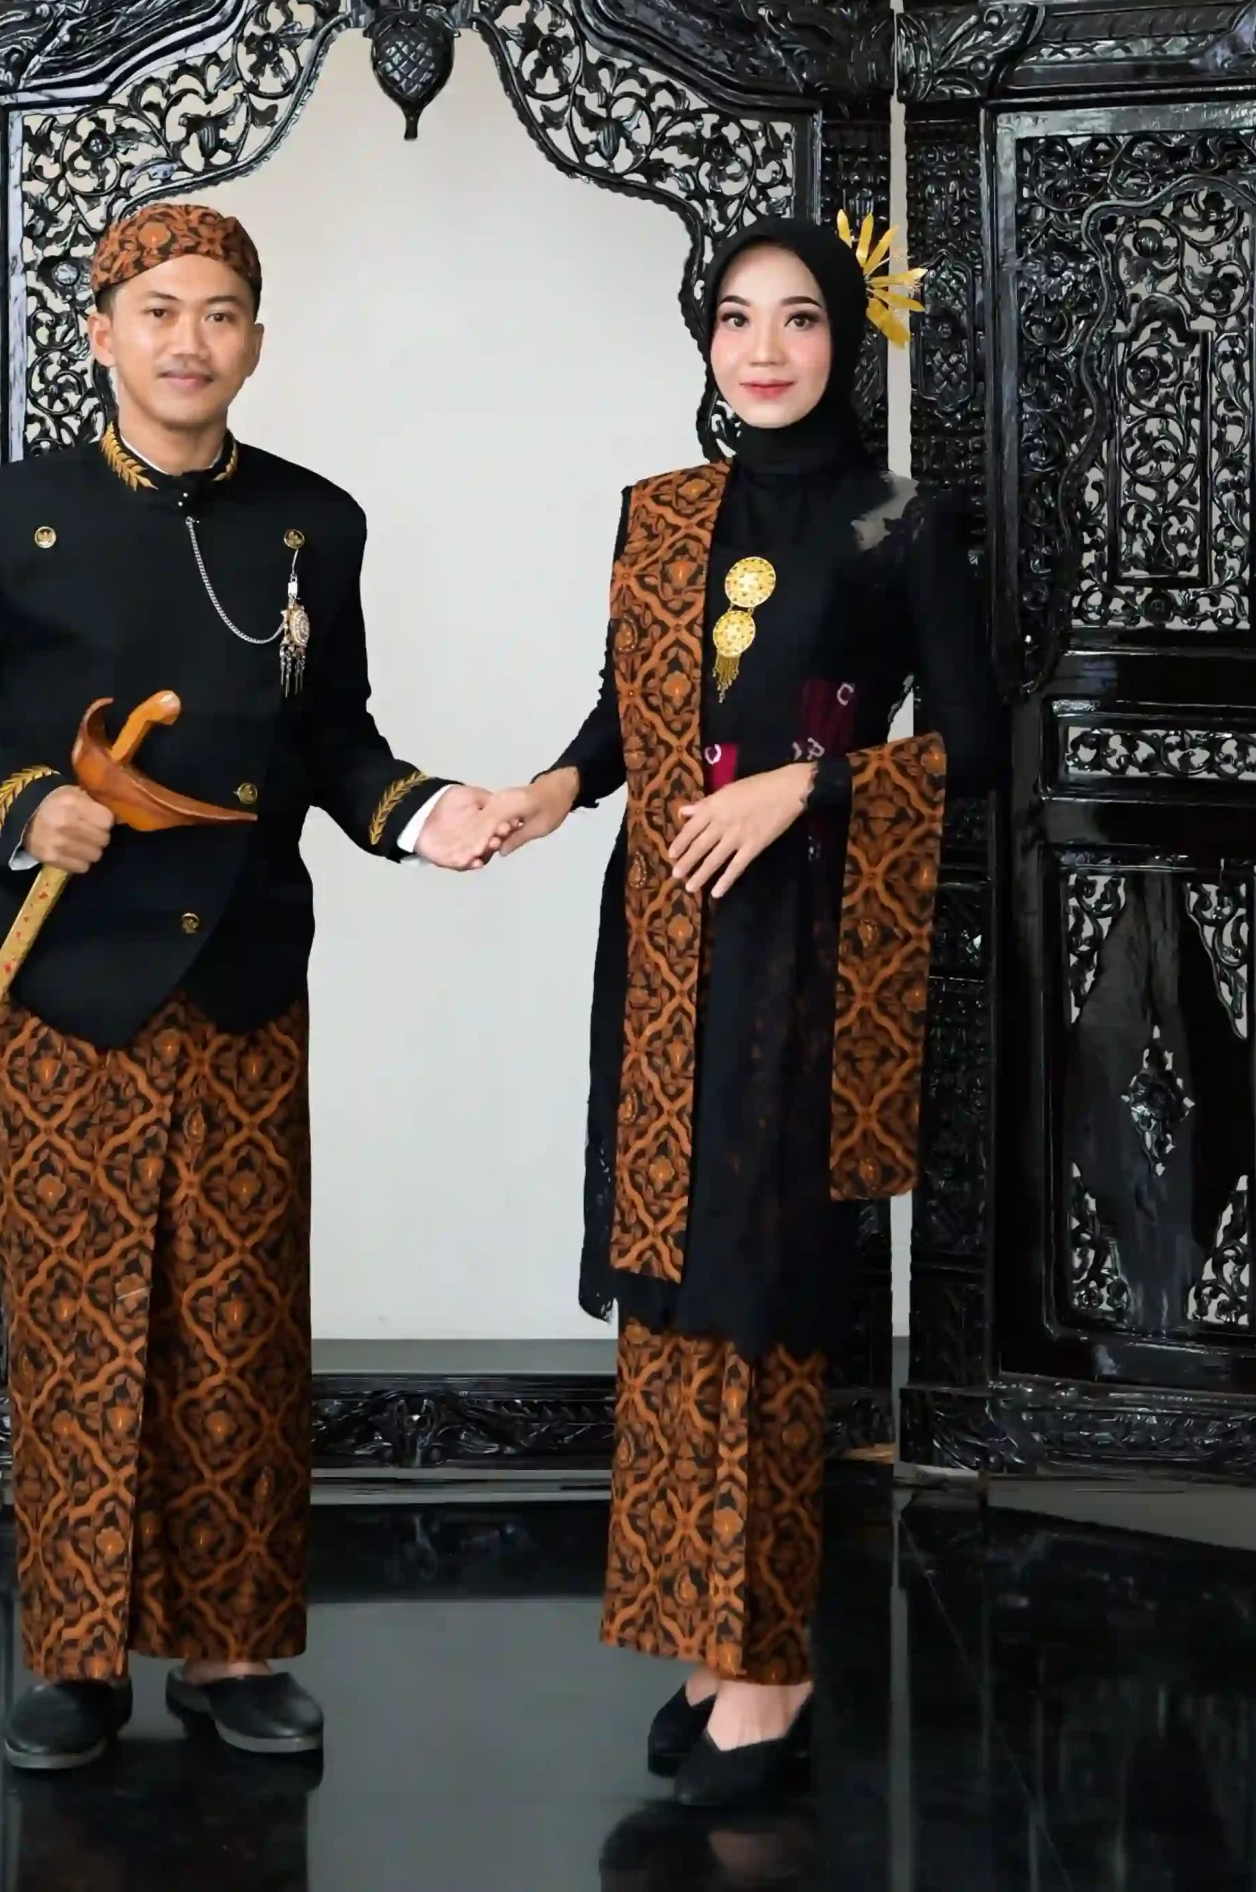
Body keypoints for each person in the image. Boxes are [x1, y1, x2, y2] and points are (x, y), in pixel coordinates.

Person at [0, 202, 497, 1773]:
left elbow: (332, 739)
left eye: (219, 312)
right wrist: (19, 804)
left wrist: (418, 813)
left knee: (240, 1327)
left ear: (256, 342)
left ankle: (232, 1651)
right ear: (100, 333)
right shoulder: (10, 515)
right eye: (156, 310)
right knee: (77, 1328)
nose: (187, 340)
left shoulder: (313, 523)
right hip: (73, 992)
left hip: (241, 983)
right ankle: (76, 1662)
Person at [482, 215, 1000, 1811]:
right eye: (734, 318)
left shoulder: (900, 517)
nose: (763, 349)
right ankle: (707, 1642)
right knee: (674, 1278)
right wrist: (550, 791)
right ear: (701, 338)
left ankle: (771, 1673)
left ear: (846, 336)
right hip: (663, 931)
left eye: (799, 319)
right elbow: (627, 716)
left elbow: (972, 744)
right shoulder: (660, 513)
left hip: (807, 938)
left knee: (765, 1278)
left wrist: (805, 786)